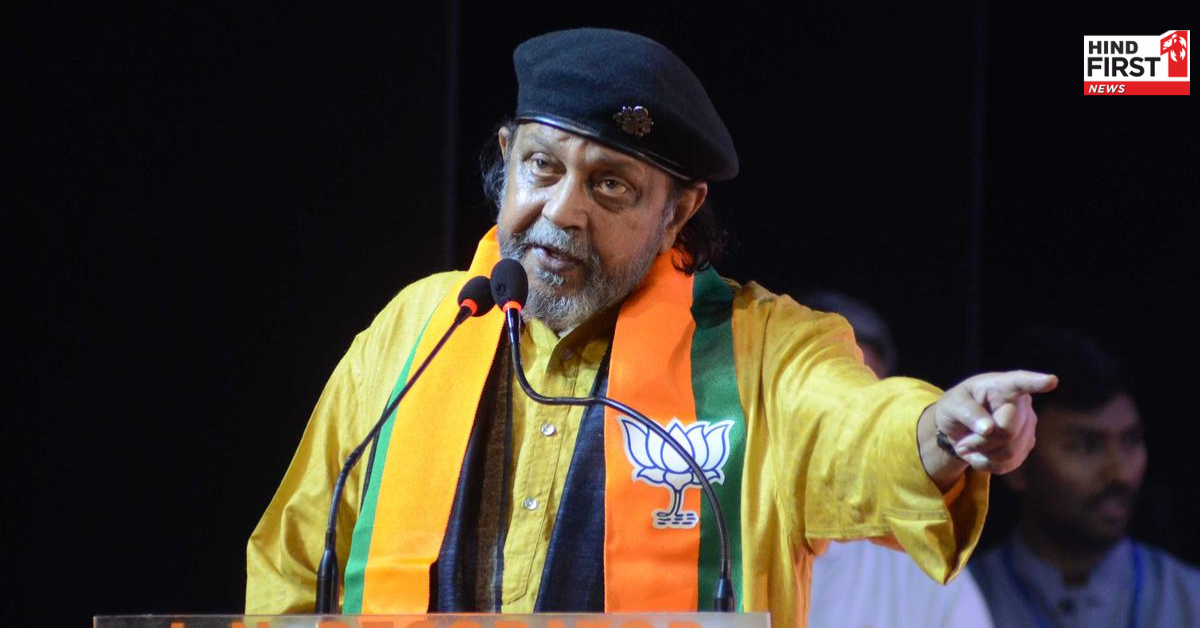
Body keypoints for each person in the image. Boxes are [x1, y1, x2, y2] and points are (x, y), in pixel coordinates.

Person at [246, 28, 1056, 626]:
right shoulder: (419, 330)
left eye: (611, 186)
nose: (562, 211)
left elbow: (857, 430)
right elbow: (293, 562)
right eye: (542, 167)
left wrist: (940, 432)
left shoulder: (761, 354)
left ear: (680, 210)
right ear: (506, 154)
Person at [970, 327, 1200, 627]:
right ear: (1015, 465)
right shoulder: (961, 600)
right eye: (1085, 446)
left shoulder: (1189, 599)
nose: (1120, 473)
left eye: (1130, 440)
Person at [802, 291, 993, 628]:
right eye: (830, 402)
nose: (849, 424)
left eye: (869, 405)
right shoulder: (724, 526)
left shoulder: (919, 564)